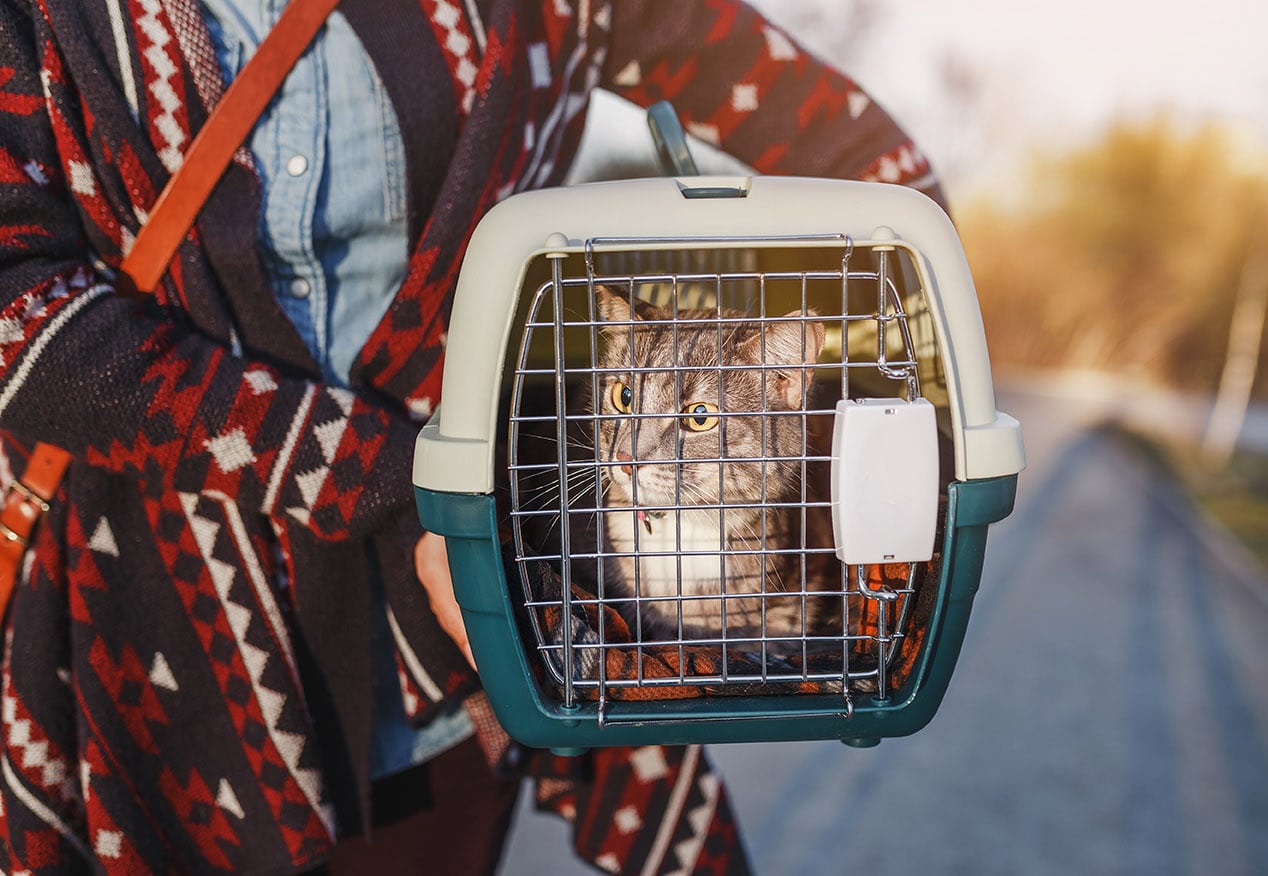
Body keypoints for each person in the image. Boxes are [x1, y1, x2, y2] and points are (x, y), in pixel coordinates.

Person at [0, 0, 946, 873]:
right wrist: (400, 484)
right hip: (147, 645)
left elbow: (877, 169)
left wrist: (851, 423)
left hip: (458, 658)